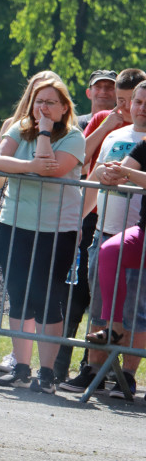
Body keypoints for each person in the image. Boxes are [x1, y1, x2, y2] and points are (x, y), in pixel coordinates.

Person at [0, 76, 85, 393]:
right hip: (14, 223)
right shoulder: (18, 129)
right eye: (38, 101)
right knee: (18, 296)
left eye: (49, 103)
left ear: (64, 108)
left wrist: (44, 133)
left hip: (57, 230)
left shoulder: (73, 137)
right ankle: (20, 367)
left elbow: (52, 169)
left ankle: (46, 373)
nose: (42, 107)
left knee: (48, 299)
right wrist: (31, 164)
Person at [59, 80, 146, 396]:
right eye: (138, 101)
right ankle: (92, 370)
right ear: (129, 104)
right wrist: (79, 220)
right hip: (104, 234)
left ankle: (126, 375)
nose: (141, 108)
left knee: (137, 310)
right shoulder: (115, 136)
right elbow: (97, 178)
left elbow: (125, 174)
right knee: (101, 305)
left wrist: (123, 174)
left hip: (138, 237)